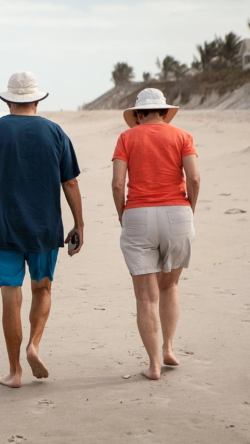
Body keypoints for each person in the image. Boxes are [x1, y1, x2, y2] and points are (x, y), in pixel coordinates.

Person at [0, 71, 84, 388]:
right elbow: (70, 181)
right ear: (37, 99)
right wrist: (79, 223)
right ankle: (34, 344)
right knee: (42, 289)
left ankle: (15, 371)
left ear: (7, 100)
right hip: (45, 228)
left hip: (5, 227)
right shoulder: (55, 132)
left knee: (10, 292)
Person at [111, 88, 201, 380]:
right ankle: (169, 348)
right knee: (170, 286)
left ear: (138, 114)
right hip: (177, 212)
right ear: (164, 112)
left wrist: (123, 214)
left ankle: (152, 365)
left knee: (145, 297)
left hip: (138, 214)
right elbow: (194, 177)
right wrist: (190, 208)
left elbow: (117, 184)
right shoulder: (182, 136)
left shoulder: (127, 138)